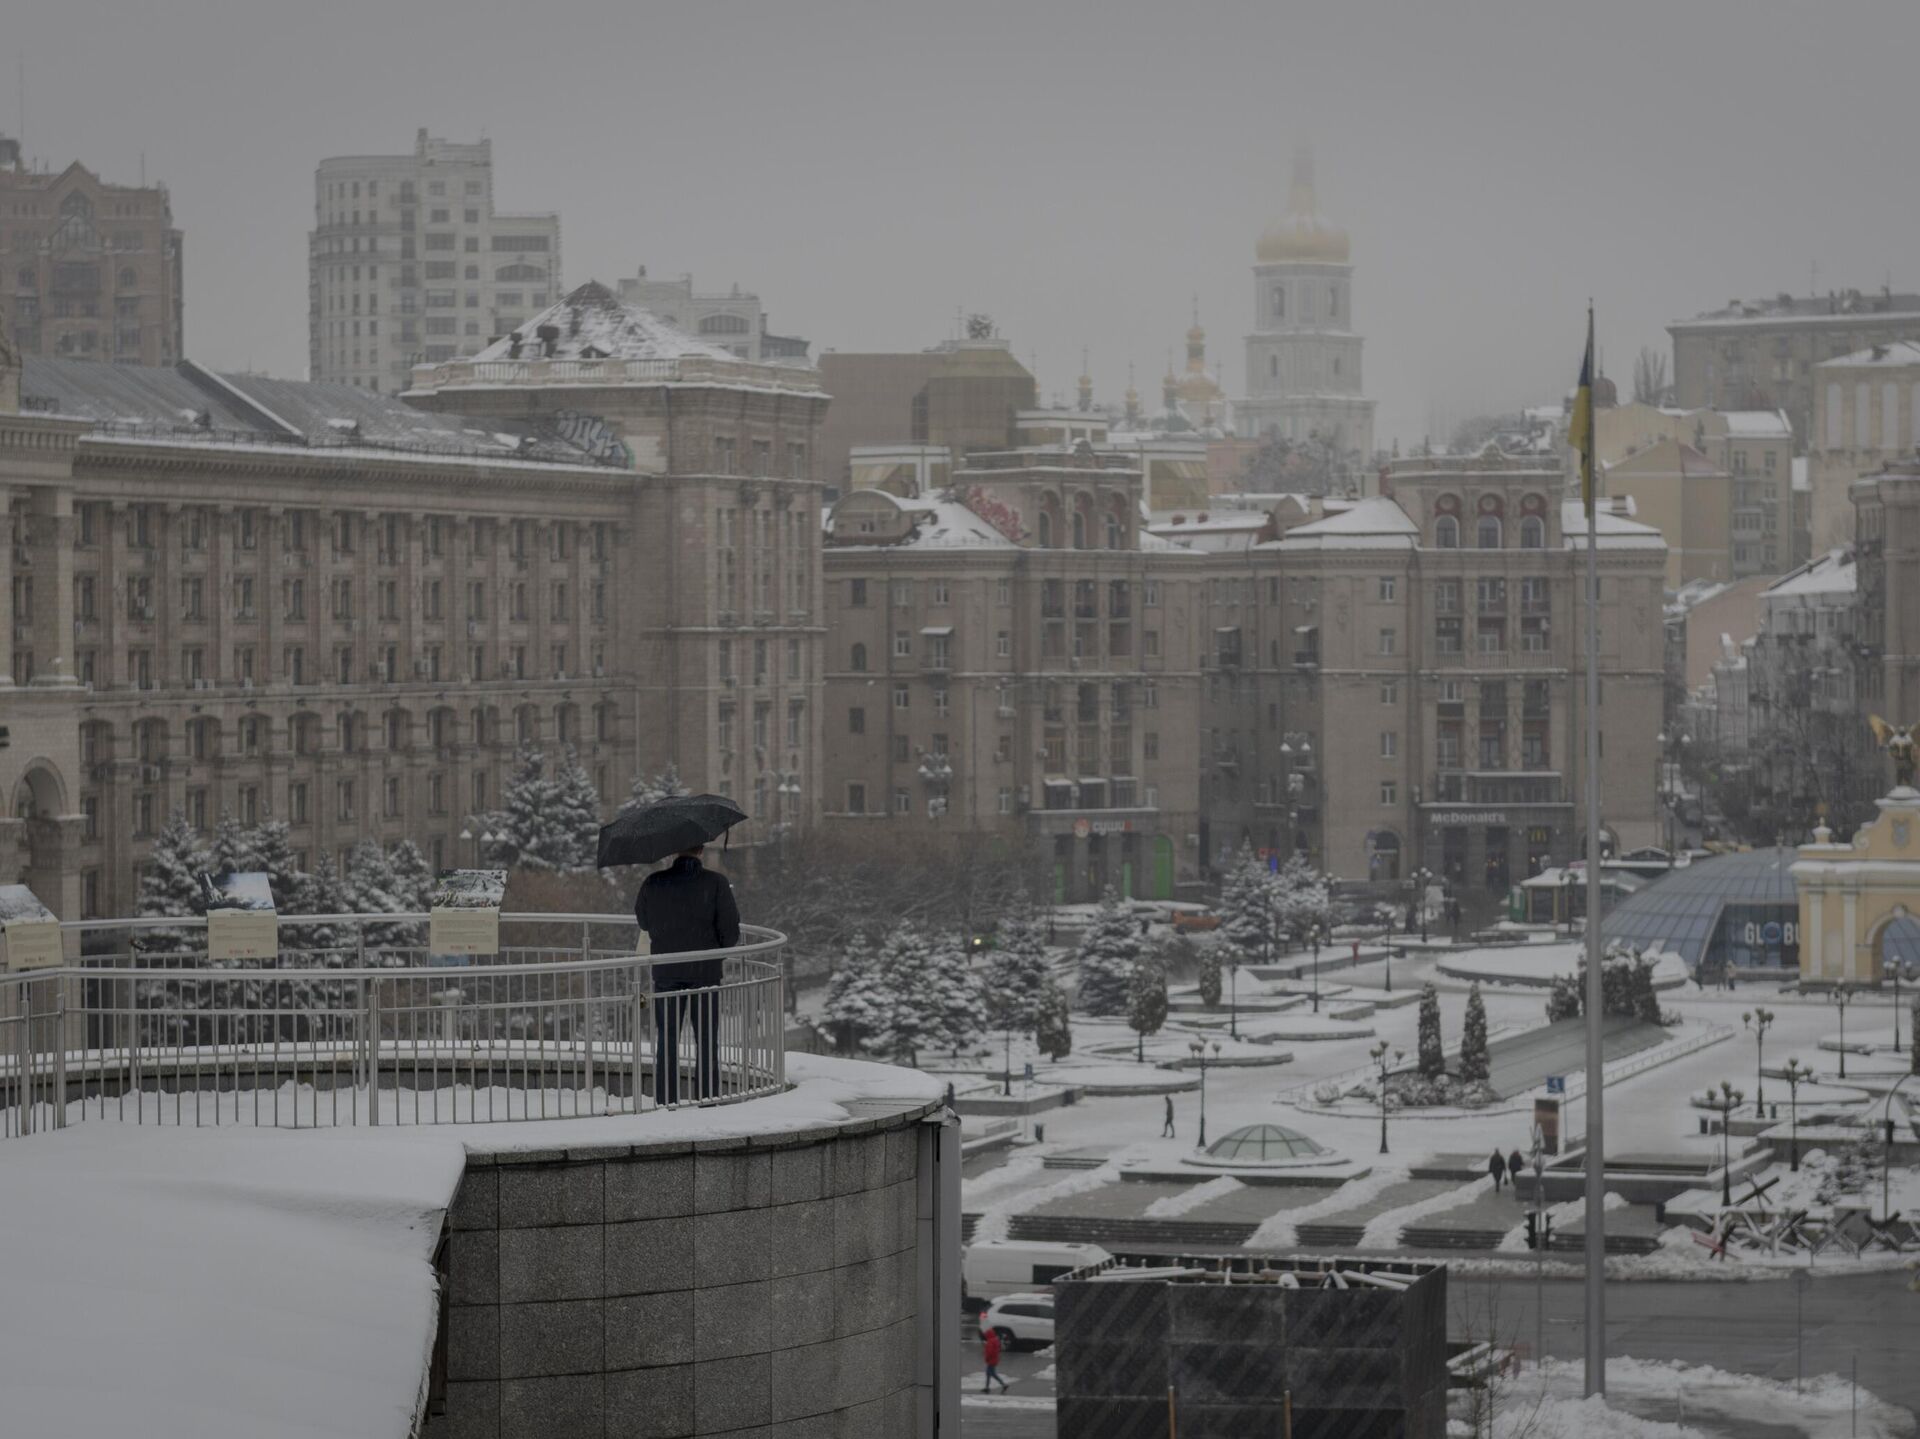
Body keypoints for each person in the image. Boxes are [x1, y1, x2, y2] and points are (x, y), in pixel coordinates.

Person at [637, 843, 740, 1104]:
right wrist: (713, 952)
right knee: (706, 1040)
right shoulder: (716, 883)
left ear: (674, 851)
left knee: (667, 1040)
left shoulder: (654, 882)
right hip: (705, 972)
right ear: (701, 850)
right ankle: (707, 1098)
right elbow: (730, 931)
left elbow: (644, 921)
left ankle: (667, 1100)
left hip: (666, 971)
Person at [981, 1324, 1010, 1393]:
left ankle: (1003, 1385)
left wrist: (987, 1358)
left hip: (991, 1360)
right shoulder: (995, 1340)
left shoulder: (990, 1341)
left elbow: (990, 1352)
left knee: (992, 1374)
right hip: (994, 1359)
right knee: (988, 1373)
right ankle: (987, 1387)